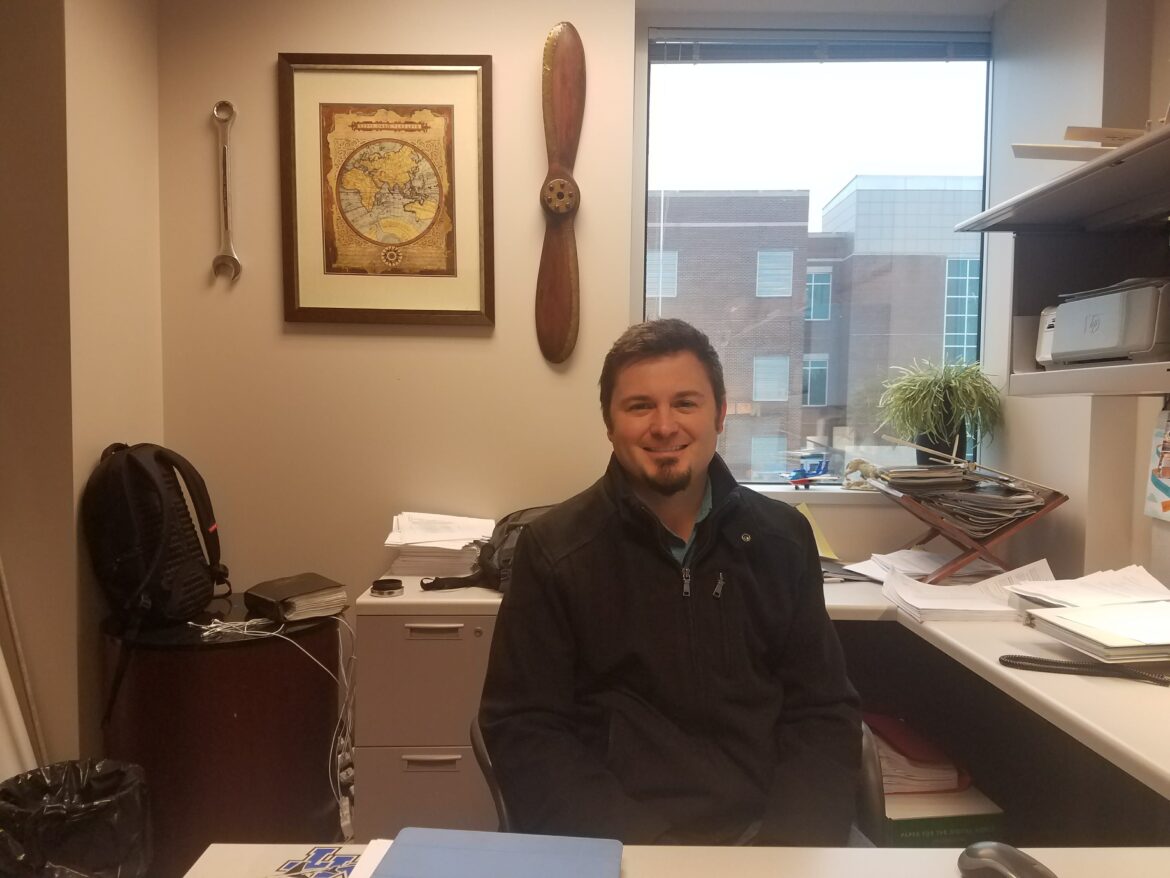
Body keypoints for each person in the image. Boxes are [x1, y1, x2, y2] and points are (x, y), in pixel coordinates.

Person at [478, 318, 860, 845]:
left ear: (720, 413)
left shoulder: (782, 538)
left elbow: (822, 711)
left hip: (766, 840)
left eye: (685, 403)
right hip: (621, 845)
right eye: (639, 406)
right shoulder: (555, 550)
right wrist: (650, 853)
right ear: (609, 424)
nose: (664, 426)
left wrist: (787, 848)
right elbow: (526, 730)